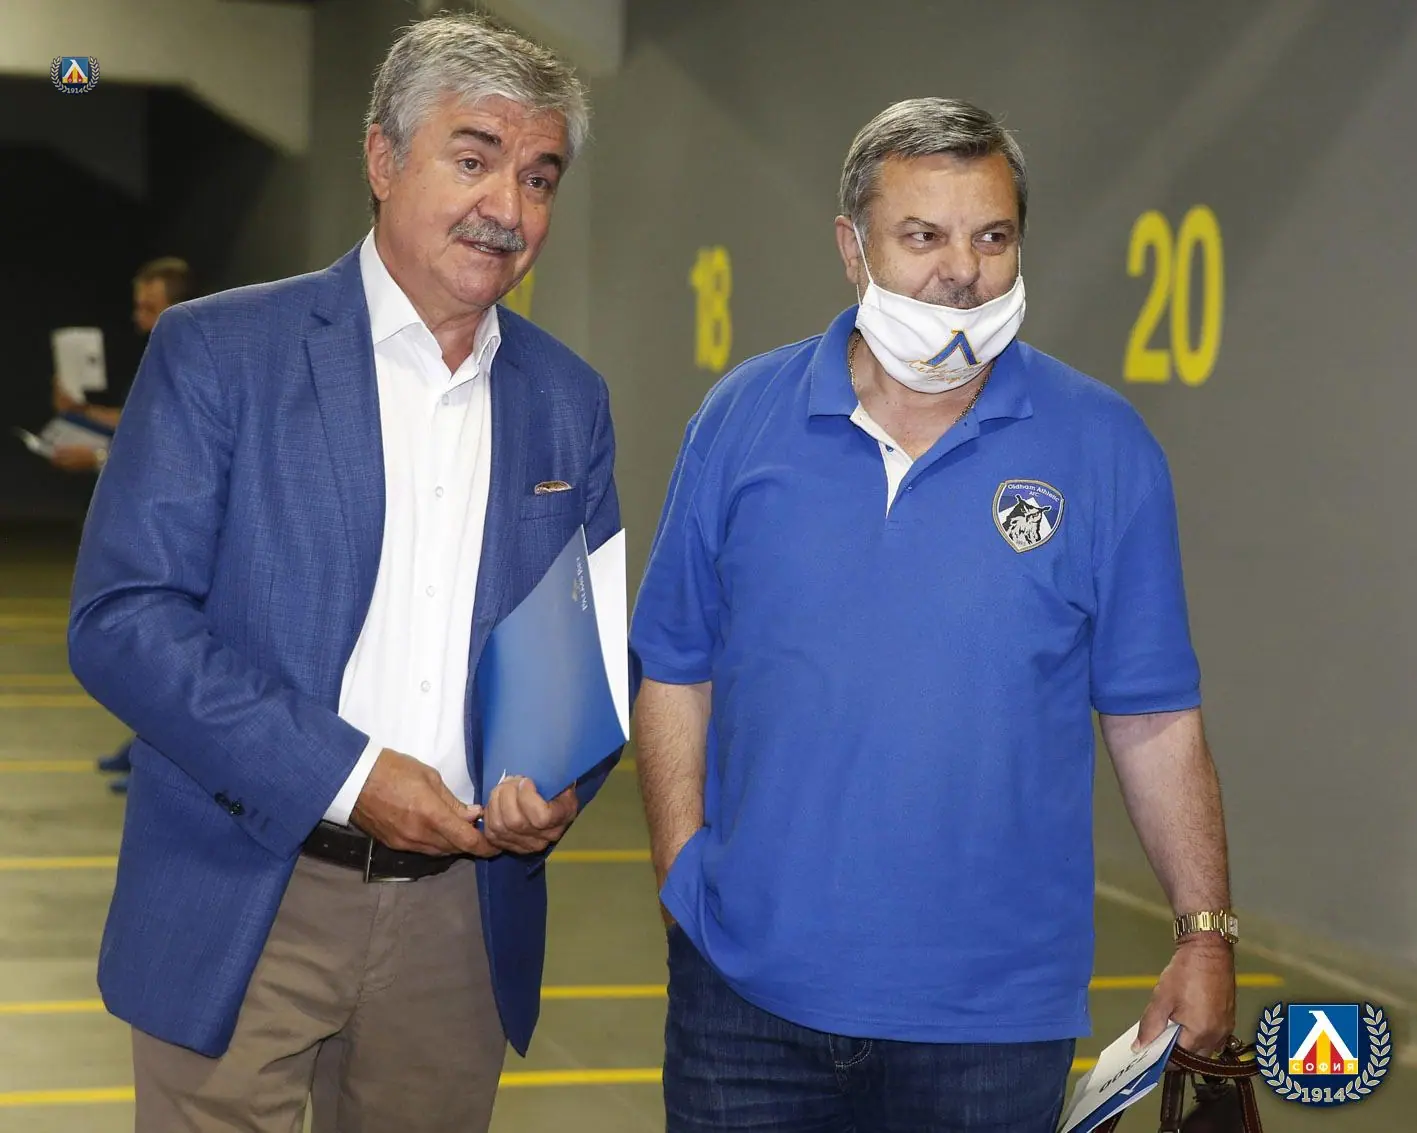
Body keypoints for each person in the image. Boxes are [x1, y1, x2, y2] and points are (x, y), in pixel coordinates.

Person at [630, 97, 1237, 1133]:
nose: (962, 271)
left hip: (991, 1028)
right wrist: (683, 878)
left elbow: (1154, 716)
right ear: (851, 247)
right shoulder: (738, 420)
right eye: (922, 236)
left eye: (991, 237)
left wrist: (1204, 931)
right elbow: (675, 666)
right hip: (744, 1010)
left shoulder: (1104, 446)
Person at [68, 13, 620, 1132]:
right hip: (244, 892)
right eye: (473, 160)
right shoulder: (221, 352)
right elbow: (124, 619)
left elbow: (591, 646)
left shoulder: (569, 399)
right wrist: (348, 773)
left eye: (538, 177)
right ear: (382, 157)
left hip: (459, 924)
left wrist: (561, 783)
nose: (508, 209)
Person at [47, 258, 190, 793]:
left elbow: (172, 453)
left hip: (185, 538)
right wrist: (83, 413)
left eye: (149, 308)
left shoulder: (198, 360)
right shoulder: (170, 355)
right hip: (158, 530)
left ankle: (159, 760)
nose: (139, 319)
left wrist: (96, 456)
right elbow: (138, 420)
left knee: (172, 651)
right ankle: (143, 749)